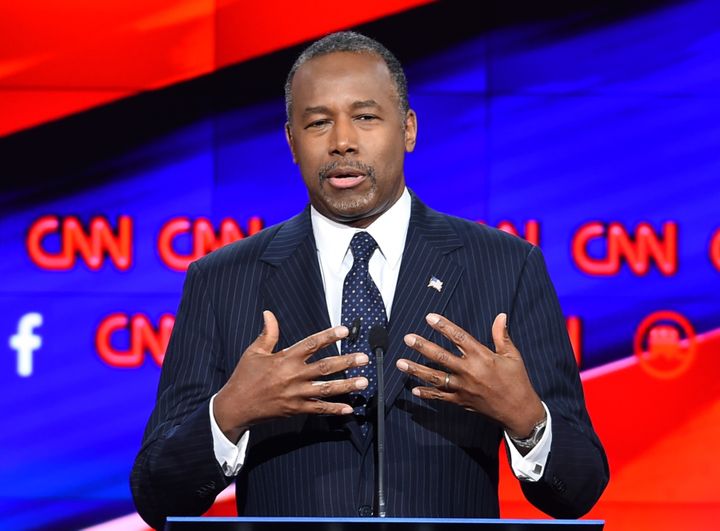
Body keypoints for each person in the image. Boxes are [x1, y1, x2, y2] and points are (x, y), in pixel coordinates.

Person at [131, 31, 608, 530]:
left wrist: (527, 421)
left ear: (407, 130)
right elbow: (156, 497)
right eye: (318, 123)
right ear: (291, 141)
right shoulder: (223, 280)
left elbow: (578, 492)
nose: (342, 142)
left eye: (365, 117)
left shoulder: (506, 267)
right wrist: (227, 415)